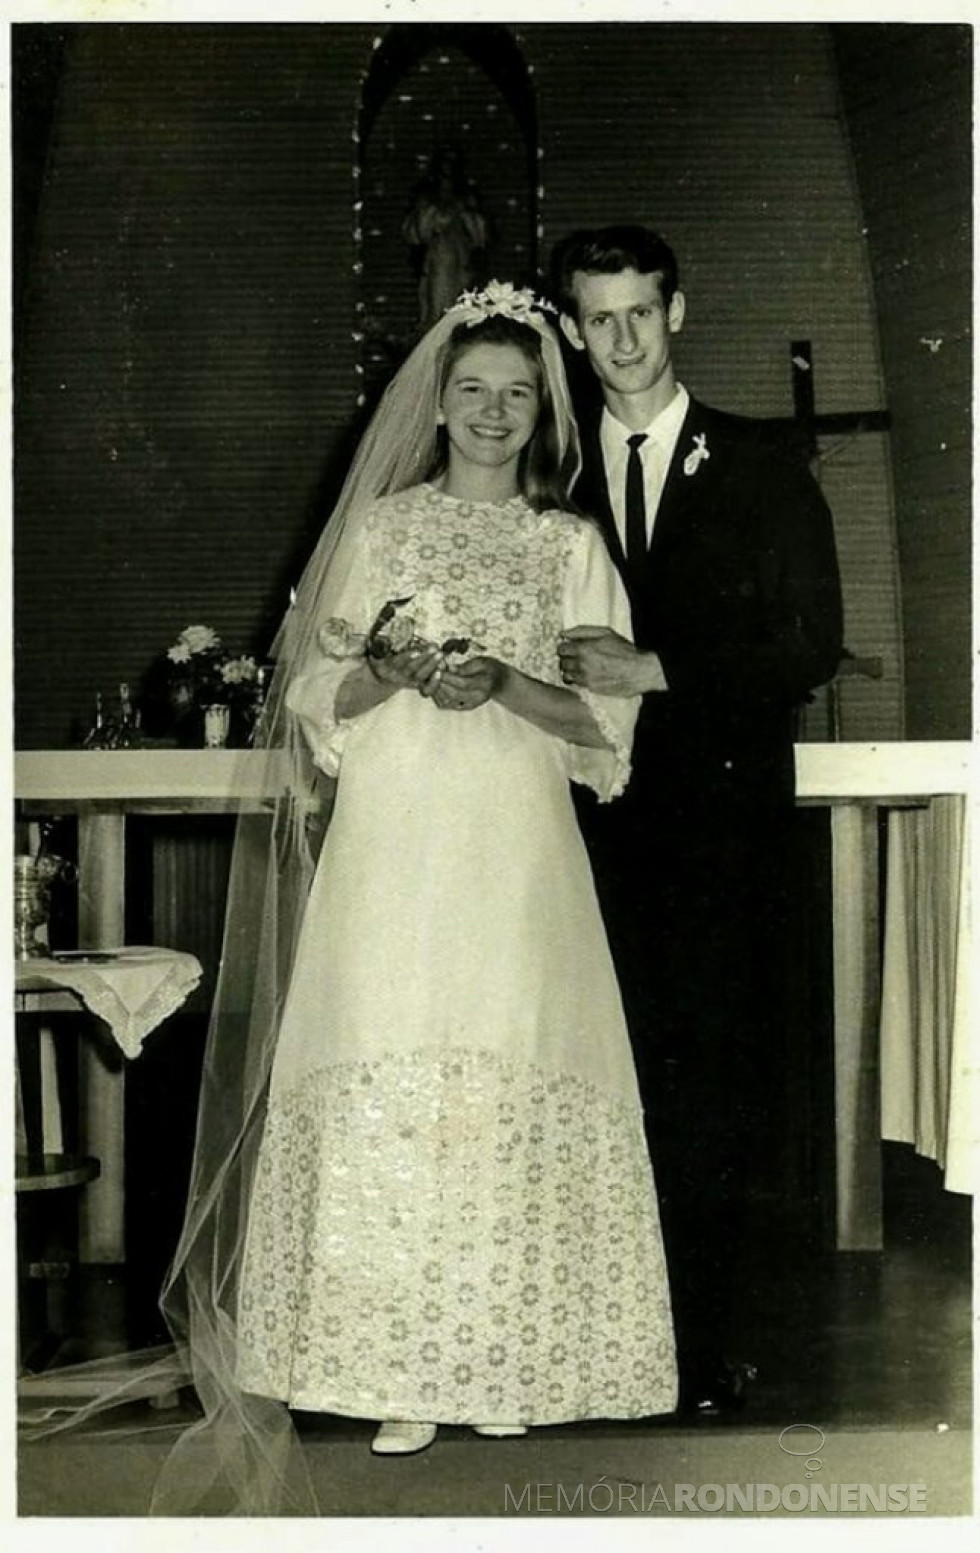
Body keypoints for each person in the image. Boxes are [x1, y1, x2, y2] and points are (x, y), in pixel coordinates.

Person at [148, 279, 675, 1504]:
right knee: (394, 1056)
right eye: (473, 391)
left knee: (503, 1060)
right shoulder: (379, 533)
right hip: (395, 846)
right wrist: (386, 672)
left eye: (516, 396)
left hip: (515, 850)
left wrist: (500, 679)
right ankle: (395, 1366)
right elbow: (313, 710)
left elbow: (607, 731)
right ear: (435, 401)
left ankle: (501, 1356)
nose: (493, 414)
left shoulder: (567, 547)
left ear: (541, 412)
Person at [550, 225, 844, 1418]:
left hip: (719, 838)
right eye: (596, 318)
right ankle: (592, 1341)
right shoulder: (550, 475)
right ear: (569, 327)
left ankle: (702, 1345)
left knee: (710, 1091)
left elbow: (805, 643)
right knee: (587, 1084)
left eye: (639, 312)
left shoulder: (763, 464)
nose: (619, 339)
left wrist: (653, 668)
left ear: (676, 311)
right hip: (578, 831)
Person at [402, 146, 489, 332]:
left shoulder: (467, 198)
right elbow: (417, 232)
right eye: (444, 164)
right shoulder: (427, 198)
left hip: (462, 261)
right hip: (438, 260)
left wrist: (464, 214)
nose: (447, 169)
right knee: (437, 308)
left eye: (452, 164)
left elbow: (480, 235)